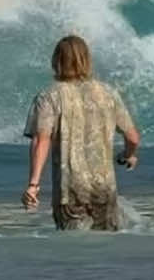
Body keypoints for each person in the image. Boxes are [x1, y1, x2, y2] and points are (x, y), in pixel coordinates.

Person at [22, 35, 140, 230]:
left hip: (71, 191)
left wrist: (33, 186)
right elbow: (133, 138)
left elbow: (41, 141)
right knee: (105, 250)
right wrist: (128, 155)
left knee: (74, 253)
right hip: (105, 188)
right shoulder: (108, 93)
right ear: (87, 60)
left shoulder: (49, 96)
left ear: (56, 61)